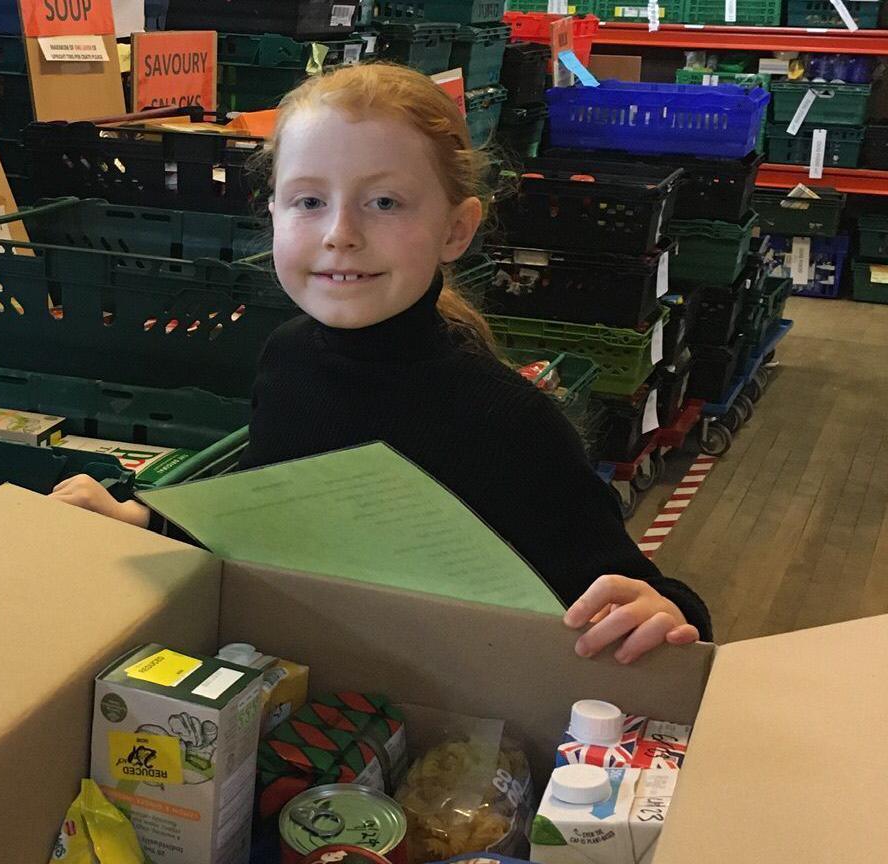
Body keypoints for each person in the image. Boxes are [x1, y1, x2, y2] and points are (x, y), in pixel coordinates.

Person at [51, 62, 711, 663]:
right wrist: (141, 519)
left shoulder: (509, 422)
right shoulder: (287, 361)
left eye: (385, 202)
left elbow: (648, 599)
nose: (341, 232)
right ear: (274, 213)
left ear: (457, 229)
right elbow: (269, 526)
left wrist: (668, 612)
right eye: (310, 201)